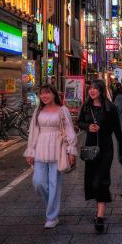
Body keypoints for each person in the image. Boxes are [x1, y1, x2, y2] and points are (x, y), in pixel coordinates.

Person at [24, 85, 77, 228]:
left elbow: (69, 130)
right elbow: (33, 132)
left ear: (54, 94)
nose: (44, 96)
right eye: (42, 94)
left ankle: (52, 217)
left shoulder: (62, 110)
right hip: (40, 148)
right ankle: (52, 207)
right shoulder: (38, 111)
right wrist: (30, 150)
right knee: (38, 182)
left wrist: (71, 150)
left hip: (58, 149)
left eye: (47, 93)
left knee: (55, 184)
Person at [77, 80, 122, 233]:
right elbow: (79, 122)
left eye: (96, 88)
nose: (92, 91)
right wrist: (87, 127)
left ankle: (100, 216)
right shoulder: (86, 106)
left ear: (102, 90)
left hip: (105, 147)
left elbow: (118, 131)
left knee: (101, 180)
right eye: (90, 88)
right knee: (92, 180)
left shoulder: (111, 108)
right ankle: (99, 208)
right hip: (90, 146)